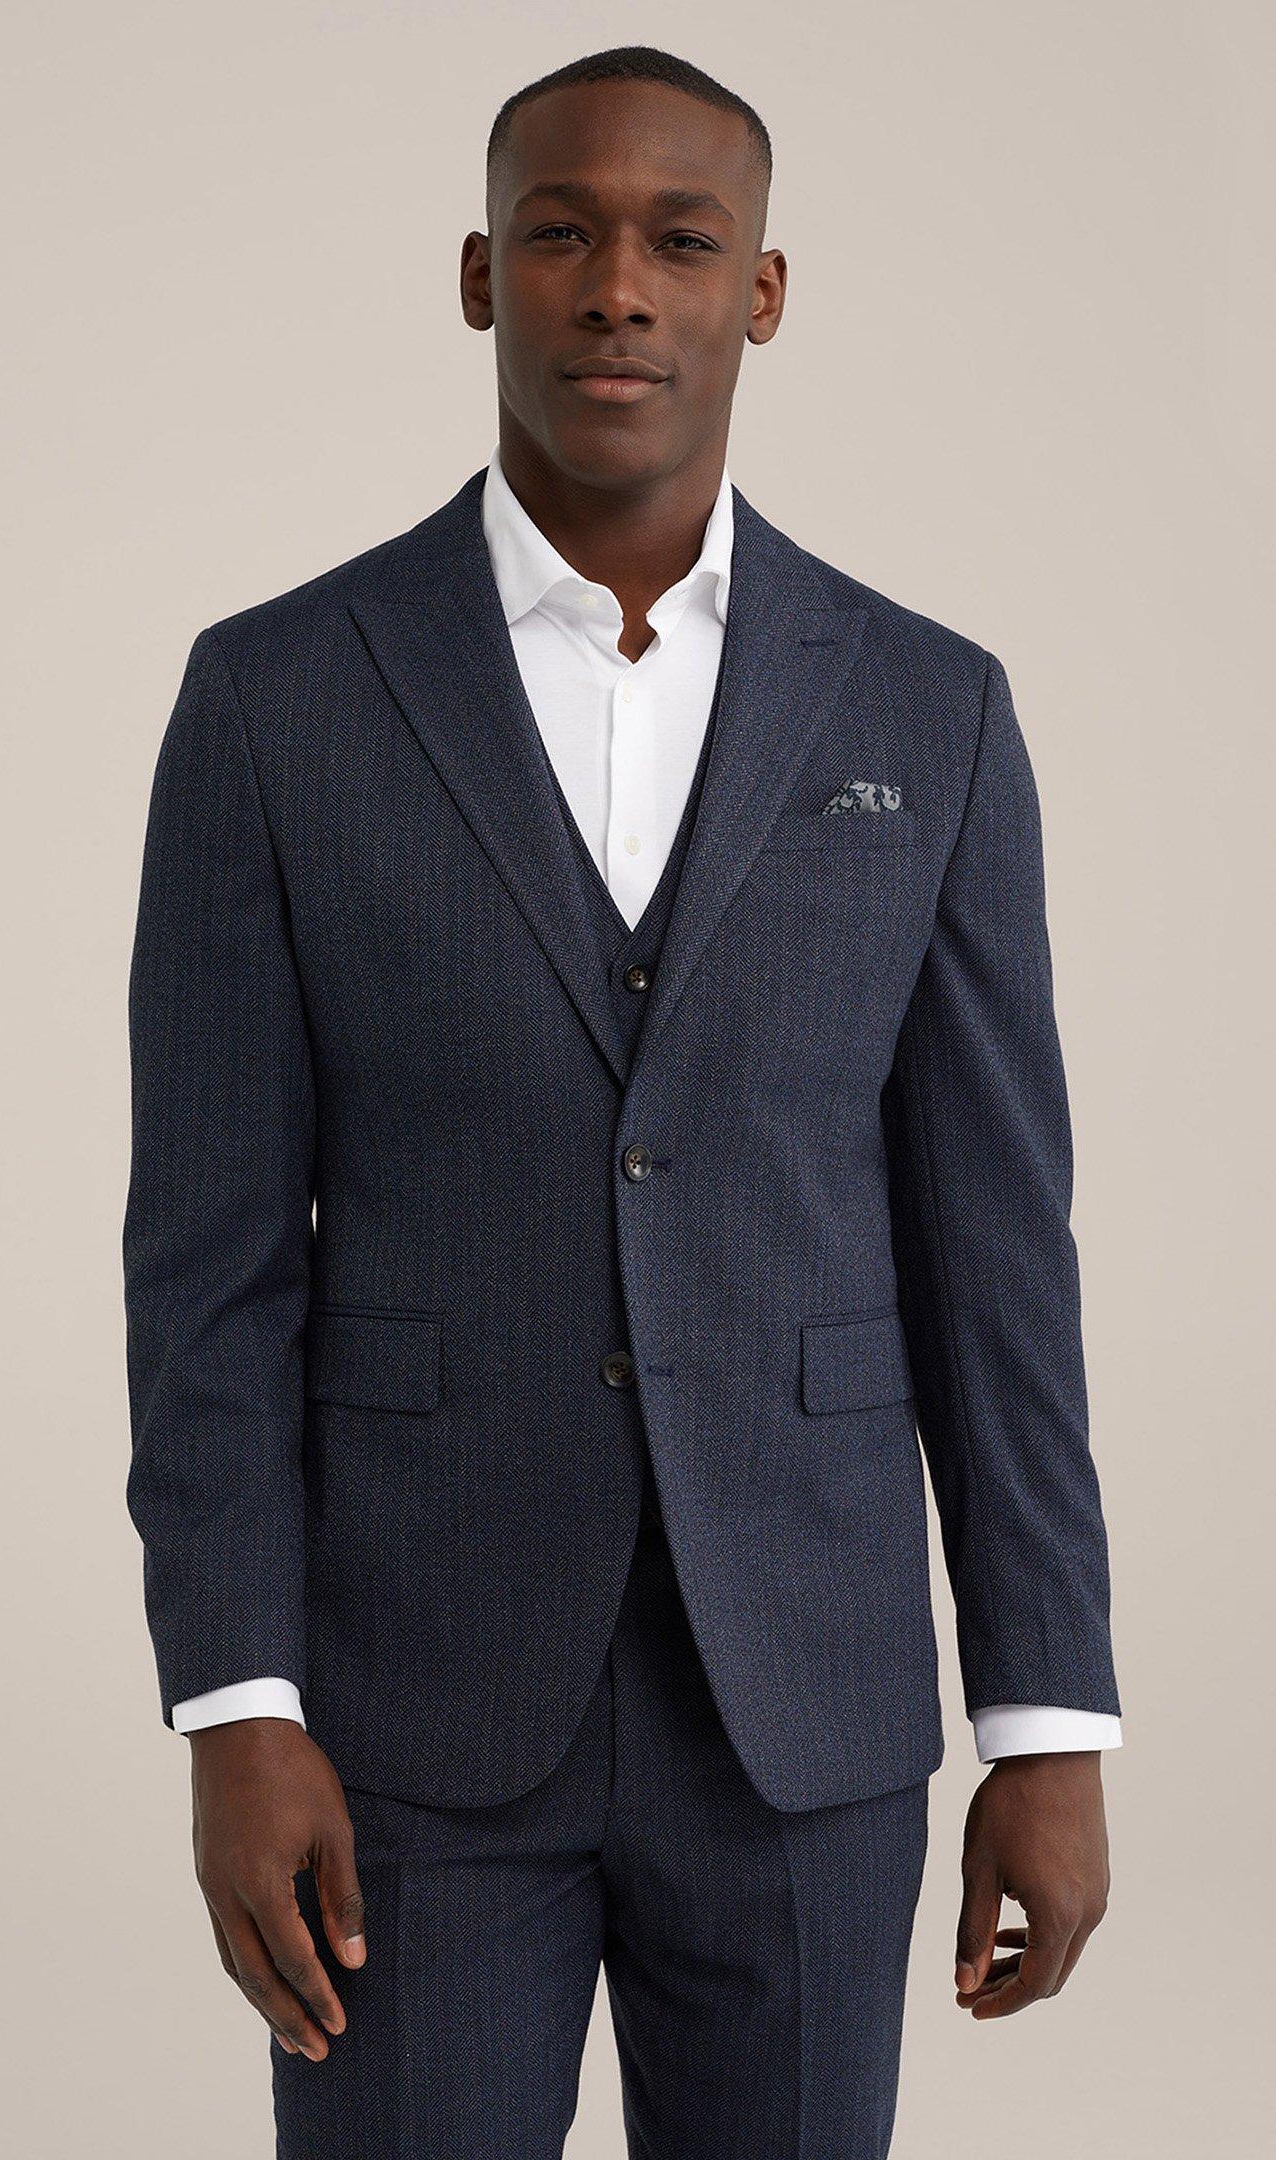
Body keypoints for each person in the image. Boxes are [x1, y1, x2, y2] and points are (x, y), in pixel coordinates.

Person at [122, 44, 1121, 2159]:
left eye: (682, 240)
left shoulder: (928, 708)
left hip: (805, 1715)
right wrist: (237, 1701)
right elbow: (209, 1262)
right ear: (480, 274)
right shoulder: (276, 698)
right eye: (563, 233)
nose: (619, 288)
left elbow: (995, 1256)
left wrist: (1046, 1713)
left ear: (763, 292)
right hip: (404, 1715)